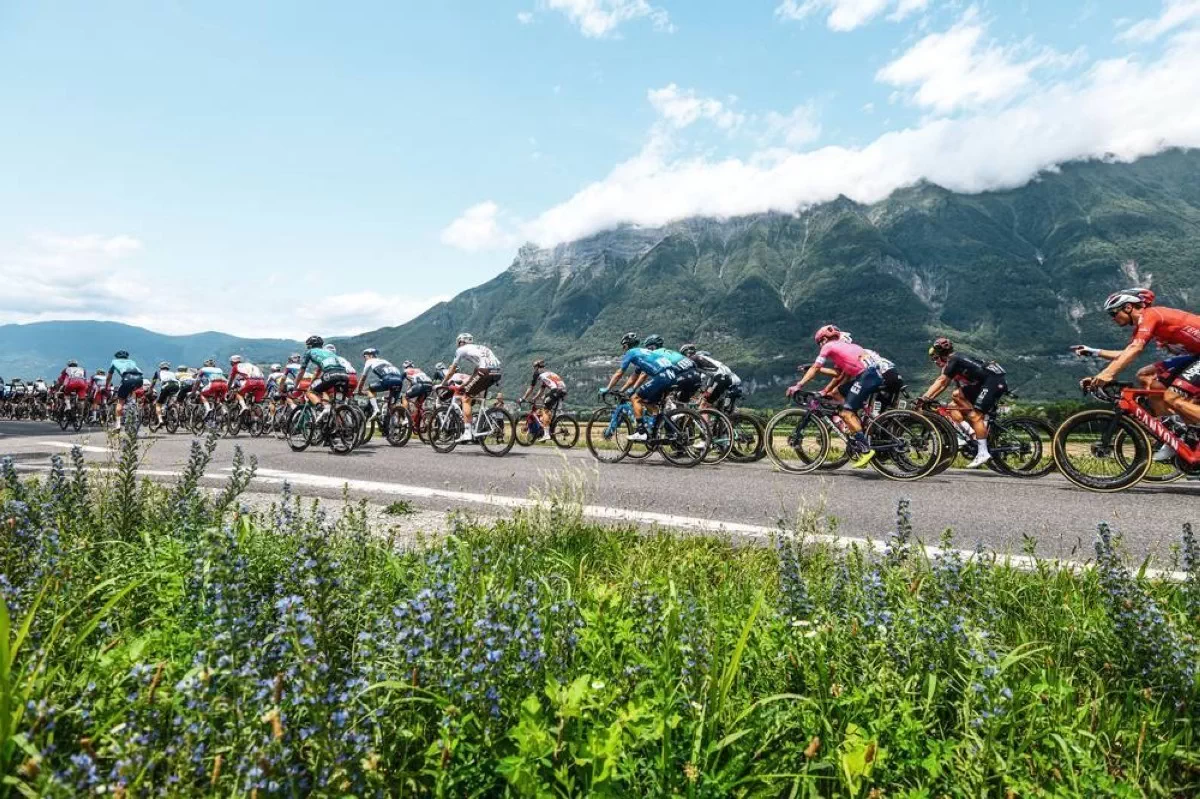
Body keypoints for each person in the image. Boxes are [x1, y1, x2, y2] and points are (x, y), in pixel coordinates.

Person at [1076, 287, 1200, 459]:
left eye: (1113, 313)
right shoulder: (1147, 323)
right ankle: (1176, 434)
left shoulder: (1152, 315)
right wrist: (1094, 351)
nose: (1113, 319)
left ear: (1128, 307)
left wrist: (1107, 374)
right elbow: (1126, 352)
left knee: (1172, 398)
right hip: (1196, 356)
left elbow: (1135, 349)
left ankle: (1182, 424)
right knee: (1150, 380)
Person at [788, 325, 901, 468]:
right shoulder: (850, 346)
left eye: (819, 343)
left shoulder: (828, 347)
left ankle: (866, 451)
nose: (820, 346)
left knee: (845, 412)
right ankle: (857, 424)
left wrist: (798, 385)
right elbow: (841, 376)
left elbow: (815, 368)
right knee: (839, 393)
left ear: (823, 339)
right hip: (872, 374)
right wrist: (825, 391)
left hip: (867, 376)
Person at [916, 338, 1007, 469]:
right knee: (953, 404)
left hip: (993, 381)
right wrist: (928, 399)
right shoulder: (956, 362)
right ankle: (970, 434)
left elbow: (942, 382)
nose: (935, 362)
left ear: (941, 355)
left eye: (936, 358)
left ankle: (983, 452)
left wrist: (924, 398)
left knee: (974, 415)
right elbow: (944, 386)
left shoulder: (953, 359)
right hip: (986, 382)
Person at [600, 332, 683, 442]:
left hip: (662, 377)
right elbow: (634, 377)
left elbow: (619, 373)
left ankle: (641, 432)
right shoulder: (645, 352)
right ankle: (657, 431)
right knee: (651, 404)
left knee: (635, 398)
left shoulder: (631, 352)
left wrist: (607, 388)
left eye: (623, 347)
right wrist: (622, 390)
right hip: (672, 376)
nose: (623, 349)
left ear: (626, 345)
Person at [441, 333, 503, 443]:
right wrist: (463, 385)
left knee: (465, 398)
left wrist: (443, 382)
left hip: (485, 371)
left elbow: (452, 370)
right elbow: (476, 373)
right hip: (497, 372)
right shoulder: (481, 348)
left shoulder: (461, 349)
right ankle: (486, 418)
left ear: (460, 342)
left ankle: (467, 432)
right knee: (473, 394)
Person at [679, 344, 743, 410]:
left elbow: (696, 379)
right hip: (729, 379)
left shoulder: (694, 359)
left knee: (704, 405)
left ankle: (703, 420)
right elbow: (710, 378)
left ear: (687, 353)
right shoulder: (704, 358)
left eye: (683, 355)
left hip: (720, 378)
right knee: (713, 404)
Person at [298, 335, 349, 414]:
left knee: (309, 392)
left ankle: (321, 409)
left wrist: (296, 385)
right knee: (338, 405)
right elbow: (319, 370)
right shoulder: (329, 352)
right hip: (345, 376)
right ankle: (341, 423)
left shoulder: (310, 352)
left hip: (331, 375)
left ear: (310, 345)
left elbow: (302, 371)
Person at [520, 359, 567, 441]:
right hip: (562, 390)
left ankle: (546, 434)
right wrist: (535, 398)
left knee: (545, 410)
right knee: (545, 403)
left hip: (556, 390)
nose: (534, 369)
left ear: (536, 367)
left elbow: (531, 387)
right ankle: (549, 426)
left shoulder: (537, 373)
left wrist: (523, 398)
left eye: (534, 367)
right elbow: (541, 390)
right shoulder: (546, 373)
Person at [356, 348, 406, 419]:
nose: (364, 358)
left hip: (388, 379)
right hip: (399, 381)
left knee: (370, 389)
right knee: (392, 405)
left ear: (370, 356)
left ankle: (376, 410)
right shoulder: (385, 361)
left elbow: (363, 378)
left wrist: (359, 390)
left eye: (365, 356)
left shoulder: (369, 361)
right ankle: (399, 422)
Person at [104, 350, 143, 428]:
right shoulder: (132, 361)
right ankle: (134, 405)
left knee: (120, 401)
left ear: (117, 357)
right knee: (131, 391)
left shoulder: (114, 361)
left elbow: (109, 376)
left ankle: (118, 424)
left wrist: (106, 386)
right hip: (140, 379)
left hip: (127, 378)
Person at [148, 361, 180, 425]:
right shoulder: (172, 373)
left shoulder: (158, 372)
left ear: (160, 368)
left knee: (158, 404)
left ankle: (160, 420)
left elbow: (153, 383)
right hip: (176, 386)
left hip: (167, 386)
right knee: (170, 399)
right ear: (168, 368)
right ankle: (173, 411)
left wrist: (150, 390)